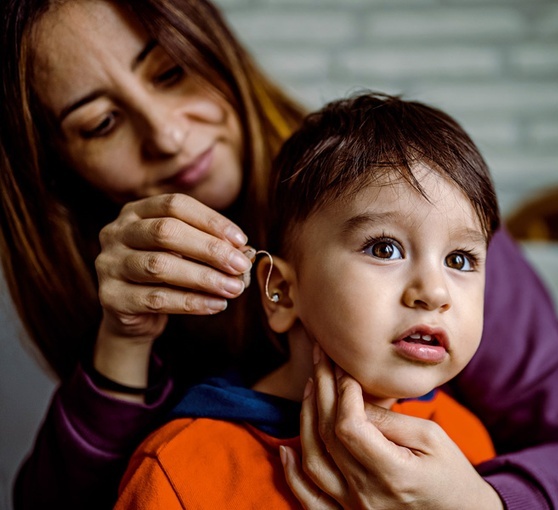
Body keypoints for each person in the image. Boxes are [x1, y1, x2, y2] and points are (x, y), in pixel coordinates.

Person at [1, 0, 558, 508]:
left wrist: (486, 504)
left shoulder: (418, 200)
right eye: (100, 124)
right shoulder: (178, 458)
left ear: (218, 51)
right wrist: (121, 343)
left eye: (170, 71)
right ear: (57, 170)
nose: (167, 134)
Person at [115, 92, 502, 509]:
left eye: (459, 259)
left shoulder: (462, 449)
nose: (435, 292)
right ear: (280, 292)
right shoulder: (177, 472)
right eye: (384, 248)